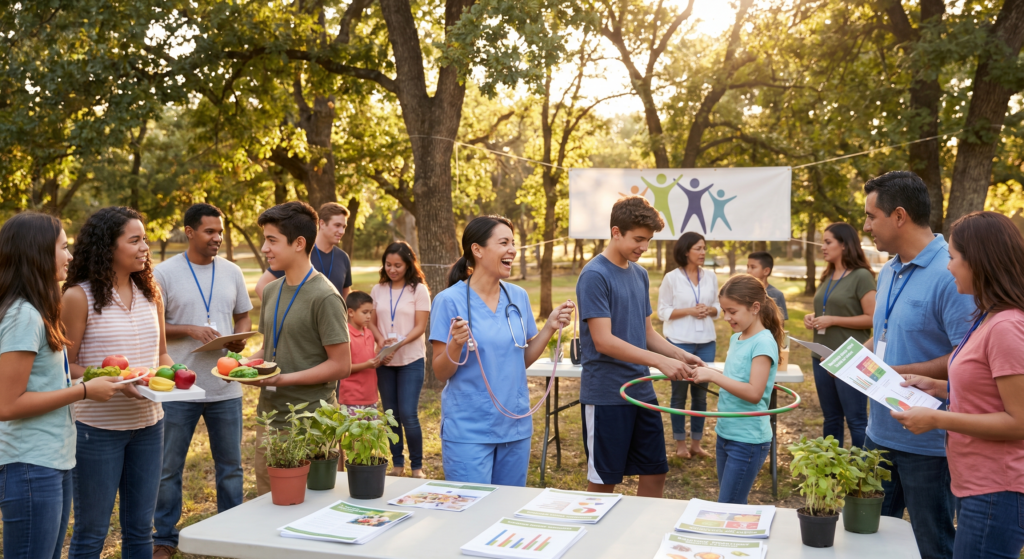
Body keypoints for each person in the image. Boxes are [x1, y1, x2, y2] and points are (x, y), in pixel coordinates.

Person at [893, 211, 1024, 559]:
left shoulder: (1007, 327)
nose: (948, 267)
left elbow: (1019, 420)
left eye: (953, 257)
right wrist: (939, 388)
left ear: (979, 261)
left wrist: (937, 418)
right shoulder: (986, 317)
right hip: (975, 482)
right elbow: (989, 394)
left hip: (998, 488)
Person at [861, 171, 975, 559]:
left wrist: (901, 371)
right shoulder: (888, 269)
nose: (866, 226)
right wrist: (855, 358)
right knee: (866, 541)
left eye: (871, 216)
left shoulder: (952, 272)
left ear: (898, 216)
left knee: (933, 545)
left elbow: (967, 358)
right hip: (878, 433)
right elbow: (884, 334)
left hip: (929, 443)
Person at [0, 213, 124, 559]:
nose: (70, 256)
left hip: (53, 458)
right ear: (38, 252)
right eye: (63, 247)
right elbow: (7, 404)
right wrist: (84, 391)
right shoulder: (23, 315)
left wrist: (90, 379)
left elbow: (42, 382)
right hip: (29, 463)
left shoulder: (37, 309)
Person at [61, 206, 176, 559]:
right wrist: (109, 379)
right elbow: (65, 366)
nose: (145, 248)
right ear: (108, 246)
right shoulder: (78, 297)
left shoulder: (152, 292)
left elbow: (162, 355)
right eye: (135, 240)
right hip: (97, 430)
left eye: (145, 239)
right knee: (92, 532)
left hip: (149, 425)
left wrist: (175, 376)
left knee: (140, 529)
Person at [430, 216, 574, 486]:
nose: (513, 250)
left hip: (514, 426)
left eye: (513, 243)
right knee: (472, 507)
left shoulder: (517, 297)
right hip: (469, 430)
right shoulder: (448, 301)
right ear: (477, 250)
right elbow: (440, 372)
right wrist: (455, 344)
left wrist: (550, 327)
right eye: (504, 243)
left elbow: (521, 360)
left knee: (508, 506)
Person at [577, 196, 704, 498]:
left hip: (642, 392)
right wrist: (660, 362)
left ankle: (646, 527)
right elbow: (603, 340)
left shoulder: (640, 274)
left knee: (655, 471)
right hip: (607, 395)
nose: (644, 247)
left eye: (648, 240)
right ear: (616, 232)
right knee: (604, 480)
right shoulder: (595, 275)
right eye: (638, 239)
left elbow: (646, 333)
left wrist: (680, 355)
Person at [152, 204, 253, 559]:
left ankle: (230, 534)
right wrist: (190, 329)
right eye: (210, 231)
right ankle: (165, 538)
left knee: (231, 468)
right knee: (168, 468)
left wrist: (239, 339)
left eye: (220, 232)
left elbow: (243, 315)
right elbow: (154, 325)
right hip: (181, 388)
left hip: (225, 386)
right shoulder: (164, 273)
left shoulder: (232, 271)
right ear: (189, 231)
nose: (217, 238)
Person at [248, 201, 351, 495]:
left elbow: (341, 365)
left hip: (312, 423)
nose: (265, 248)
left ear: (299, 243)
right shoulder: (271, 290)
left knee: (315, 507)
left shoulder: (325, 296)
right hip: (269, 420)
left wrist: (282, 379)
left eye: (272, 240)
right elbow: (270, 348)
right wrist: (243, 366)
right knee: (270, 504)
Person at [691, 274, 782, 504]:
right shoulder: (737, 338)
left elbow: (754, 393)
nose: (726, 317)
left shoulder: (763, 343)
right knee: (730, 504)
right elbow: (736, 378)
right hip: (726, 432)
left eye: (732, 311)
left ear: (755, 308)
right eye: (724, 311)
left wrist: (714, 376)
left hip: (748, 439)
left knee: (728, 506)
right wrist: (710, 372)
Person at [802, 222, 876, 448]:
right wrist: (813, 317)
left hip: (850, 358)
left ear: (844, 244)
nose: (822, 247)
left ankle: (861, 468)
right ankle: (831, 466)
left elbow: (872, 317)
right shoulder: (827, 274)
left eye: (828, 242)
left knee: (856, 420)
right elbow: (828, 308)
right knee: (831, 418)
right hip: (821, 356)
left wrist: (833, 320)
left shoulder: (862, 276)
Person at [369, 241, 431, 478]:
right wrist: (382, 342)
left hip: (411, 360)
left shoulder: (419, 290)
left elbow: (420, 327)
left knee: (408, 414)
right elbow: (372, 323)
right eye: (388, 264)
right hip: (385, 361)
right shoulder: (378, 290)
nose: (392, 269)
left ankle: (417, 467)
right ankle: (397, 465)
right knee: (390, 414)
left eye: (398, 265)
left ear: (408, 265)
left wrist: (397, 345)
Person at [657, 231, 720, 460]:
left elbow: (719, 307)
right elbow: (662, 311)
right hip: (678, 343)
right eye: (698, 248)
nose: (703, 252)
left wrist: (709, 310)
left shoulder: (711, 276)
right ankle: (680, 444)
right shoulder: (671, 278)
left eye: (704, 248)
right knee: (679, 395)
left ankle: (696, 444)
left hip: (706, 343)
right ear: (686, 251)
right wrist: (690, 311)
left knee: (701, 396)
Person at [255, 201, 352, 300]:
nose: (342, 231)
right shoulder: (299, 252)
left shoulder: (343, 257)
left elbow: (346, 294)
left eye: (344, 227)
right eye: (337, 225)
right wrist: (282, 308)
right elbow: (261, 286)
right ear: (322, 224)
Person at [340, 290, 381, 418]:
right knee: (353, 431)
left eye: (371, 312)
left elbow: (370, 359)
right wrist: (367, 365)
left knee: (371, 431)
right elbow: (343, 368)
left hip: (371, 397)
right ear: (351, 312)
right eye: (365, 312)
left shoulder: (369, 333)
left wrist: (381, 359)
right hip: (351, 398)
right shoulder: (345, 335)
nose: (369, 316)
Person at [746, 252, 788, 322]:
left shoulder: (777, 295)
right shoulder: (743, 292)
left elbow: (780, 324)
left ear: (766, 271)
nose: (748, 271)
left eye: (753, 267)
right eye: (748, 267)